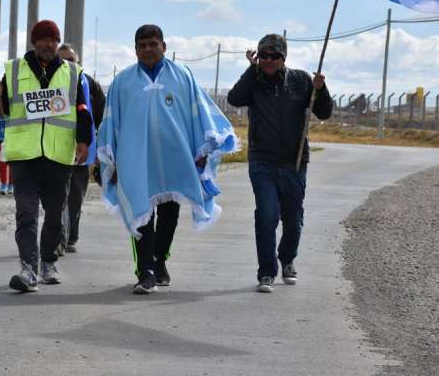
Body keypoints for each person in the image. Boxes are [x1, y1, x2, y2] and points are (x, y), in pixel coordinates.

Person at [97, 24, 237, 294]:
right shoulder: (122, 82)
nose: (148, 49)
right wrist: (112, 163)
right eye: (142, 45)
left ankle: (160, 260)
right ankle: (146, 271)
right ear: (135, 49)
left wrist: (200, 151)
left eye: (153, 44)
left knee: (170, 214)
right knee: (141, 212)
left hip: (176, 159)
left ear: (164, 46)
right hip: (136, 161)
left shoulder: (183, 76)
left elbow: (199, 116)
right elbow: (111, 123)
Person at [0, 19, 91, 293]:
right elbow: (3, 110)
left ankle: (48, 262)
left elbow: (81, 109)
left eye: (53, 40)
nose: (49, 44)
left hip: (58, 154)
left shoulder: (72, 72)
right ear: (34, 42)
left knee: (55, 214)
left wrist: (83, 141)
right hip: (25, 155)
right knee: (26, 214)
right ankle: (28, 269)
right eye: (44, 39)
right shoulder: (15, 69)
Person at [227, 34, 332, 293]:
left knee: (293, 216)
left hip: (294, 161)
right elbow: (235, 98)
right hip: (262, 160)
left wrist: (321, 89)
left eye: (275, 56)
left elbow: (325, 112)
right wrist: (251, 70)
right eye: (264, 56)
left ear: (284, 57)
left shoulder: (301, 80)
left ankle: (287, 260)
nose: (269, 60)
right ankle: (266, 272)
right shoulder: (254, 81)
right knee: (267, 214)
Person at [56, 43, 105, 255]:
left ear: (78, 61)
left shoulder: (90, 83)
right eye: (63, 59)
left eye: (71, 60)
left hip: (82, 151)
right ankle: (58, 237)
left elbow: (100, 112)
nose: (67, 63)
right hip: (56, 149)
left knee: (75, 196)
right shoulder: (51, 81)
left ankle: (71, 234)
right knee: (57, 197)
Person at [0, 116, 13, 195]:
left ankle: (11, 186)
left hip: (13, 139)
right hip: (1, 139)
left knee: (13, 164)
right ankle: (3, 185)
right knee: (2, 164)